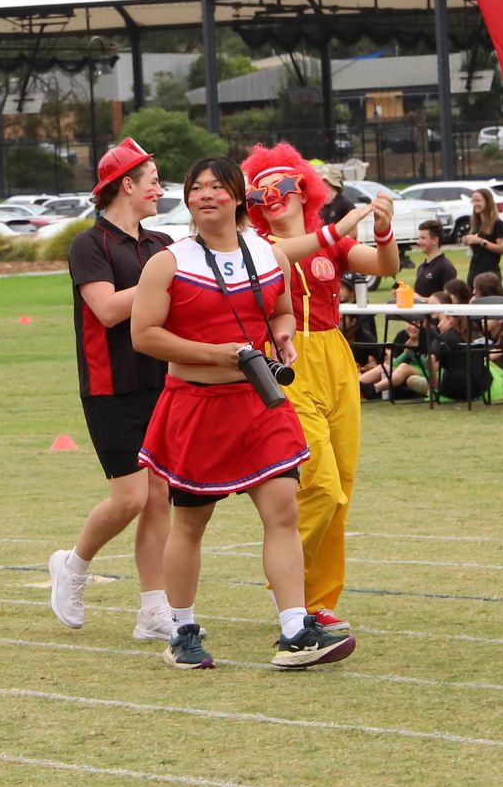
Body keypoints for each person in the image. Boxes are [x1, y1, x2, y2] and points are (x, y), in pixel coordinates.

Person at [128, 156, 354, 671]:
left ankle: (295, 629)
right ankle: (183, 630)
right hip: (195, 407)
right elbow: (144, 336)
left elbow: (281, 310)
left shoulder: (269, 254)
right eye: (196, 187)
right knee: (190, 522)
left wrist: (283, 335)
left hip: (259, 403)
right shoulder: (169, 261)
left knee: (283, 512)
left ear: (237, 197)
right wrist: (218, 355)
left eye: (217, 187)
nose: (206, 195)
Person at [244, 141, 398, 635]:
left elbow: (385, 267)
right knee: (321, 485)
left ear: (304, 189)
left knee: (343, 487)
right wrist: (339, 226)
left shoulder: (330, 244)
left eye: (284, 185)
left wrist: (383, 229)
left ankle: (319, 599)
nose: (274, 197)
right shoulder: (257, 248)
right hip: (287, 362)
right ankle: (286, 578)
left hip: (336, 357)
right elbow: (281, 261)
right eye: (262, 192)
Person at [49, 138, 176, 639]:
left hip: (162, 382)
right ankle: (73, 565)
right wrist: (160, 279)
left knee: (160, 497)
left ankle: (153, 610)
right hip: (111, 386)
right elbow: (105, 310)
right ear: (127, 185)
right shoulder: (89, 244)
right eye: (153, 182)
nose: (160, 191)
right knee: (130, 498)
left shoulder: (161, 243)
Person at [457, 190, 503, 288]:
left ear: (488, 202)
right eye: (473, 201)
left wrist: (480, 241)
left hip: (490, 273)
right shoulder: (476, 223)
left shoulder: (497, 224)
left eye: (478, 201)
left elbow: (501, 249)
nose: (475, 204)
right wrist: (466, 240)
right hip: (474, 271)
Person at [408, 219, 456, 305]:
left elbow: (450, 301)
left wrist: (421, 299)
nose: (418, 242)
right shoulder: (422, 267)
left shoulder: (445, 267)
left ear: (435, 240)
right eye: (419, 238)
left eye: (423, 238)